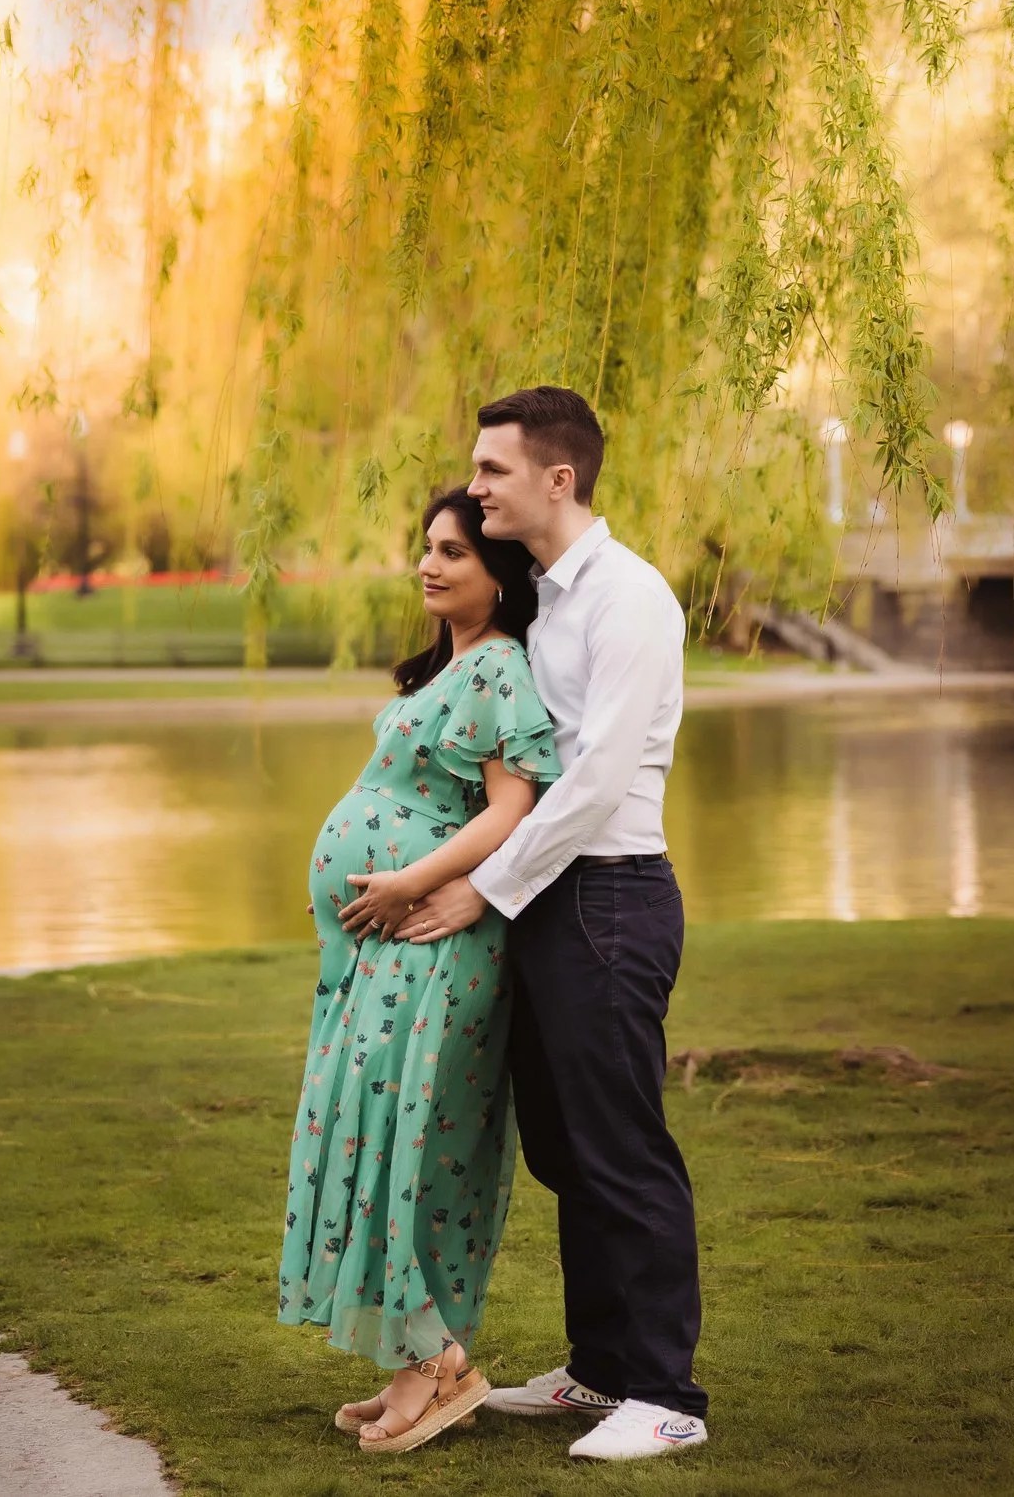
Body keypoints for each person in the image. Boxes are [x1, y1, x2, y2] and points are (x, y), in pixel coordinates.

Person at [384, 386, 708, 1461]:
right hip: (548, 898)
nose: (474, 488)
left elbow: (596, 781)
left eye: (492, 471)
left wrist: (482, 887)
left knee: (622, 1148)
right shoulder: (550, 599)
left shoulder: (630, 598)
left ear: (556, 479)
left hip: (608, 896)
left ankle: (666, 1393)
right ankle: (600, 1367)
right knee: (565, 1151)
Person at [277, 487, 563, 1454]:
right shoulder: (447, 668)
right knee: (380, 1138)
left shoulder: (498, 668)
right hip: (395, 947)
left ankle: (438, 1363)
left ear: (502, 574)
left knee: (417, 1149)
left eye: (456, 551)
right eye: (427, 546)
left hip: (439, 943)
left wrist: (409, 878)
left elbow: (509, 810)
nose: (431, 564)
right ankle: (416, 1357)